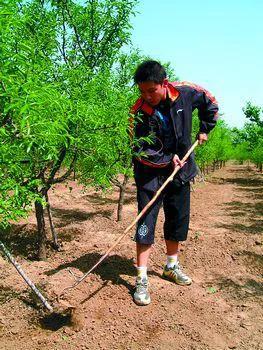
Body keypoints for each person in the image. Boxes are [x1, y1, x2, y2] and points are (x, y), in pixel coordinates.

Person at [130, 60, 219, 306]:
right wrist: (168, 159)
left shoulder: (185, 93)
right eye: (142, 91)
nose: (147, 96)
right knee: (146, 221)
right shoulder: (138, 111)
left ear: (164, 84)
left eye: (151, 90)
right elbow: (140, 150)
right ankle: (142, 278)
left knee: (177, 217)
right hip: (150, 174)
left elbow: (209, 102)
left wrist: (205, 128)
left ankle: (171, 266)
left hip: (180, 172)